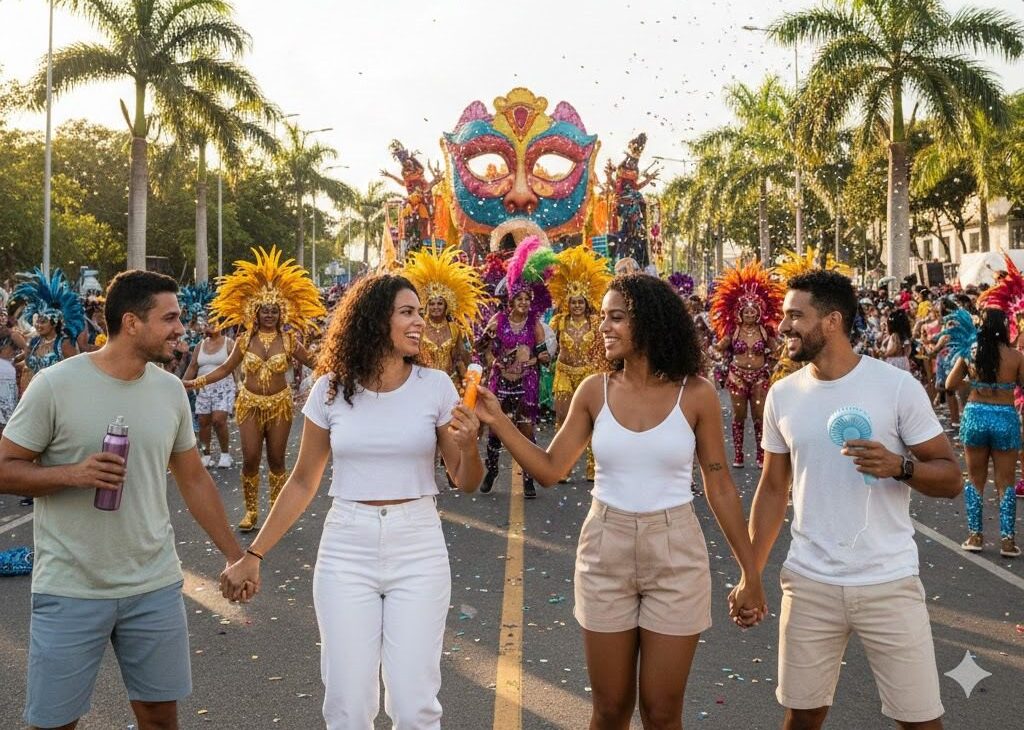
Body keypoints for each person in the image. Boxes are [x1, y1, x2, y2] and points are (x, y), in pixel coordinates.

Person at [475, 273, 767, 729]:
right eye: (603, 317)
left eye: (616, 318)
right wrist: (497, 419)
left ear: (648, 323)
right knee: (610, 711)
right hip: (604, 550)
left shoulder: (697, 395)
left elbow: (720, 485)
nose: (603, 327)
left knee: (661, 713)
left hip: (676, 554)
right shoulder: (595, 390)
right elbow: (552, 469)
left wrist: (751, 573)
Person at [220, 274, 483, 729]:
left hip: (418, 544)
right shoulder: (329, 389)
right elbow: (302, 481)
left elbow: (465, 479)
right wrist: (253, 554)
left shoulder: (436, 386)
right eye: (408, 312)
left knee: (414, 701)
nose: (420, 321)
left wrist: (471, 443)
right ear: (375, 321)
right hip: (347, 547)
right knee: (346, 702)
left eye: (420, 312)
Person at [0, 269, 246, 730]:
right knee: (54, 723)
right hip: (71, 586)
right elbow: (4, 467)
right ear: (131, 322)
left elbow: (194, 479)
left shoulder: (170, 389)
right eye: (170, 318)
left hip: (153, 586)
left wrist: (235, 555)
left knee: (159, 719)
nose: (181, 327)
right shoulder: (56, 385)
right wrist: (72, 474)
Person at [742, 270, 961, 730]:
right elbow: (772, 490)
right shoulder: (783, 395)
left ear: (833, 321)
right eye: (784, 316)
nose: (783, 327)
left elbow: (950, 477)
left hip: (890, 581)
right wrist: (751, 574)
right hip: (809, 583)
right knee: (803, 716)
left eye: (795, 316)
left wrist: (900, 467)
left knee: (921, 721)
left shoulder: (896, 387)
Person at [185, 247, 323, 531]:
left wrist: (339, 363)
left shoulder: (288, 341)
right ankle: (250, 511)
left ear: (280, 312)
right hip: (248, 404)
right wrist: (195, 382)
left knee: (276, 460)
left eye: (274, 310)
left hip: (279, 405)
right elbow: (224, 369)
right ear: (255, 313)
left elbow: (314, 362)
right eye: (264, 311)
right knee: (249, 459)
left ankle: (276, 513)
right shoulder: (245, 340)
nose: (269, 315)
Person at [477, 236, 553, 498]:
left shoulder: (536, 326)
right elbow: (481, 347)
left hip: (526, 382)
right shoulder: (498, 320)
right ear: (510, 301)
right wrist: (496, 358)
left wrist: (531, 359)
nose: (523, 303)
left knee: (526, 430)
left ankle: (529, 479)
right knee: (496, 429)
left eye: (527, 300)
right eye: (519, 299)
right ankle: (492, 470)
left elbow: (545, 358)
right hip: (501, 380)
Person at [946, 308, 1023, 557]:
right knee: (1006, 483)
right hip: (1004, 417)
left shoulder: (970, 351)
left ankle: (975, 536)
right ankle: (1008, 541)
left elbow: (949, 385)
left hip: (976, 415)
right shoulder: (1016, 356)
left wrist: (975, 382)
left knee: (975, 480)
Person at [710, 261, 783, 468]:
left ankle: (761, 455)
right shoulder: (733, 332)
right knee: (739, 416)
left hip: (760, 376)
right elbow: (717, 349)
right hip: (737, 376)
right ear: (739, 313)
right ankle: (739, 455)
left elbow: (779, 351)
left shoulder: (764, 331)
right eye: (746, 312)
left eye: (753, 312)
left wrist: (779, 359)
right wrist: (708, 351)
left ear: (759, 312)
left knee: (760, 417)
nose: (750, 315)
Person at [548, 245, 611, 482]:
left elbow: (605, 346)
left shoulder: (596, 322)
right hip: (564, 372)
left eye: (580, 302)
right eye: (573, 302)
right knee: (563, 419)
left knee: (593, 419)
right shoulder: (558, 322)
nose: (576, 306)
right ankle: (562, 467)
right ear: (567, 303)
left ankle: (593, 468)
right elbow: (544, 342)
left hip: (589, 373)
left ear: (586, 304)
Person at [401, 246, 485, 390]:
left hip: (449, 383)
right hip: (423, 383)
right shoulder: (419, 326)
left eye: (440, 303)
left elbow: (461, 356)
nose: (436, 307)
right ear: (426, 306)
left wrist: (470, 378)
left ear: (446, 306)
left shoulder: (454, 329)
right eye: (432, 304)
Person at [13, 268, 83, 391]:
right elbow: (28, 367)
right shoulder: (34, 343)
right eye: (37, 321)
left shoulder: (64, 344)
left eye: (43, 321)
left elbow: (77, 372)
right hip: (33, 396)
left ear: (54, 322)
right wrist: (11, 364)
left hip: (57, 398)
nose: (38, 325)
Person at [182, 318, 236, 468]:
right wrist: (182, 385)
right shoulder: (200, 345)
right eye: (207, 322)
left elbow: (235, 366)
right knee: (203, 422)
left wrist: (239, 385)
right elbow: (192, 367)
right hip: (203, 388)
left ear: (222, 324)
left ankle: (225, 454)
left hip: (224, 386)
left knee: (219, 420)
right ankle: (206, 455)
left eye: (214, 322)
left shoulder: (229, 343)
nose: (210, 325)